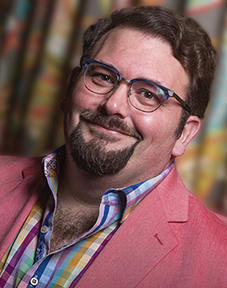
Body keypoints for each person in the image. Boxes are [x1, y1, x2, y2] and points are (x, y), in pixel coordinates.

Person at [0, 5, 227, 288]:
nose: (113, 105)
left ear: (184, 133)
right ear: (71, 86)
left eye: (148, 94)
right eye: (103, 77)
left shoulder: (221, 262)